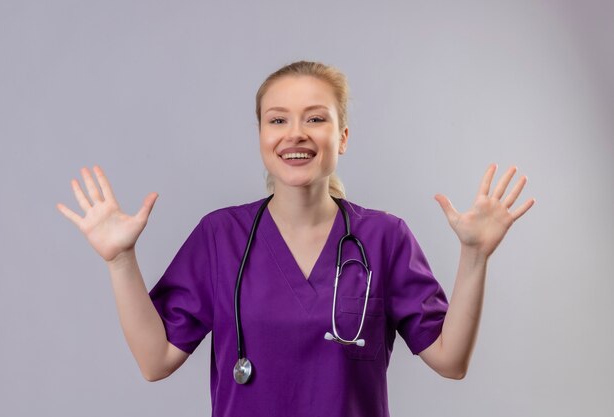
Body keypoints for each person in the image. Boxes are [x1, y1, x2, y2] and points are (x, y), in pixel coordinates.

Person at [56, 60, 535, 416]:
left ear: (342, 136)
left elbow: (450, 361)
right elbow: (155, 360)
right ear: (261, 134)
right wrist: (120, 261)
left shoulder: (384, 238)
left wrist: (474, 256)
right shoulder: (221, 236)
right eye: (278, 119)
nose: (295, 134)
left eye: (316, 118)